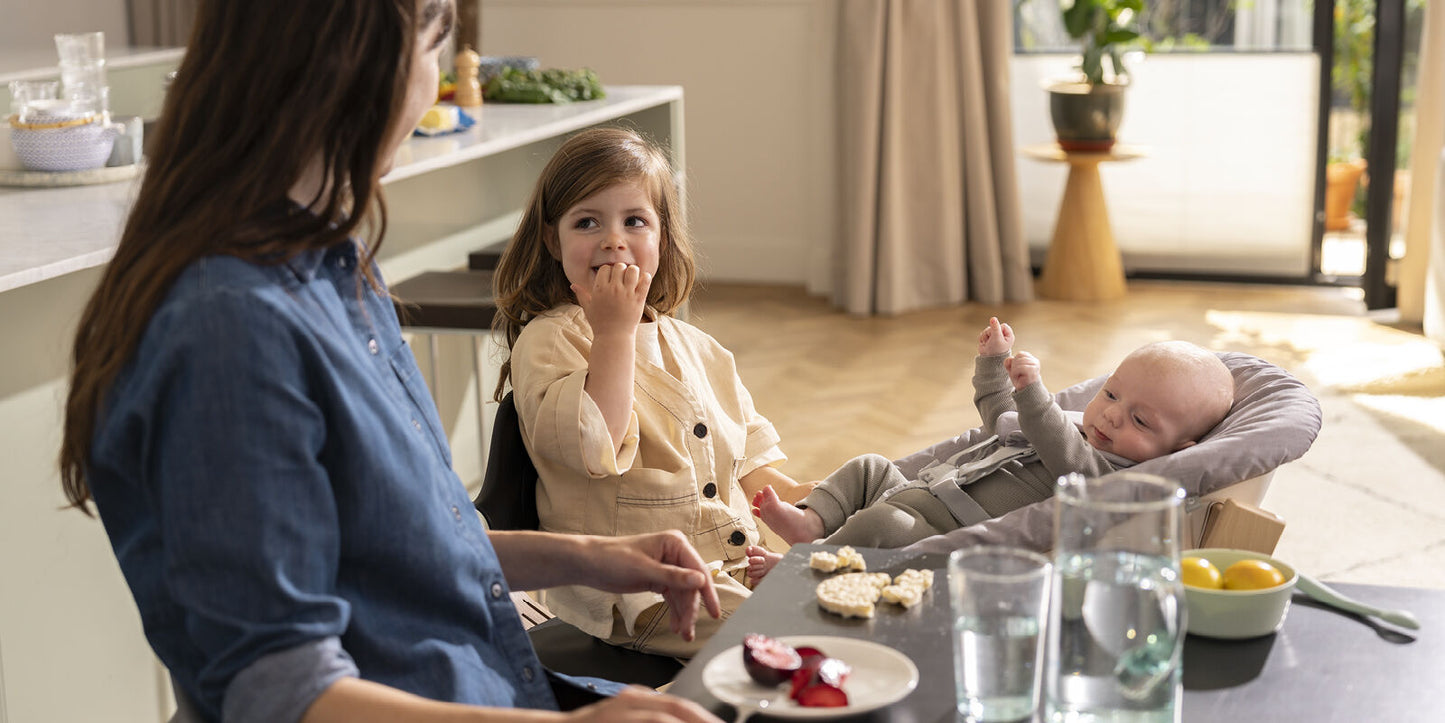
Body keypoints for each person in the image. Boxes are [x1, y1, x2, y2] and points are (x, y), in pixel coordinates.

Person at [56, 2, 723, 722]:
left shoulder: (337, 267)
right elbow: (280, 691)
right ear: (362, 65)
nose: (434, 81)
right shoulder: (230, 328)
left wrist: (599, 554)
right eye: (433, 49)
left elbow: (409, 545)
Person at [491, 127, 814, 657]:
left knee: (851, 605)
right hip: (639, 592)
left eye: (634, 221)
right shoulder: (551, 340)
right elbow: (592, 445)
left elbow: (749, 461)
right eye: (587, 222)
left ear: (662, 237)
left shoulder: (697, 346)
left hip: (733, 567)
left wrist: (808, 502)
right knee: (796, 644)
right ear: (553, 240)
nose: (613, 240)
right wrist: (614, 332)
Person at [750, 318, 1234, 573]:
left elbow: (1056, 444)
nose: (1110, 414)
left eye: (1140, 419)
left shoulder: (1105, 475)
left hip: (943, 526)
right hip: (920, 487)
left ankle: (804, 566)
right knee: (871, 465)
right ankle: (810, 520)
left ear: (1177, 448)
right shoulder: (1073, 424)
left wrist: (1035, 395)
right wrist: (992, 364)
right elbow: (1000, 420)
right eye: (1110, 394)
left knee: (882, 523)